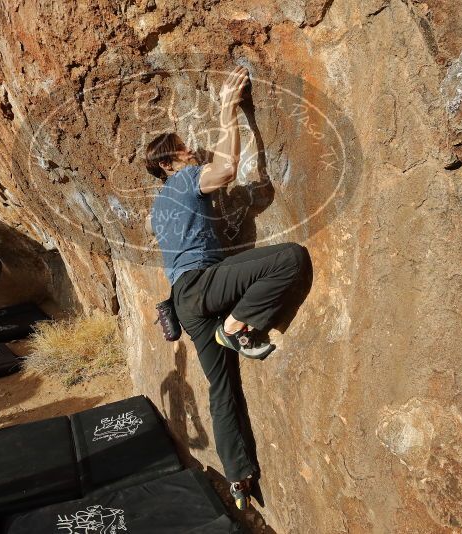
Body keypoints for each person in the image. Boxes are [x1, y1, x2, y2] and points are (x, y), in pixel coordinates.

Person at [147, 66, 307, 510]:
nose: (189, 151)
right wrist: (228, 109)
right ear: (167, 163)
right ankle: (237, 327)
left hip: (187, 303)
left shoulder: (159, 208)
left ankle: (238, 478)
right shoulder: (181, 181)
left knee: (223, 390)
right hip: (202, 288)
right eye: (182, 150)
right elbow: (226, 170)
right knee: (289, 257)